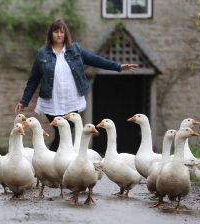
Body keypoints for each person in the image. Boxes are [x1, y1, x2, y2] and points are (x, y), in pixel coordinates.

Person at [15, 19, 138, 151]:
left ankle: (53, 161)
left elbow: (96, 60)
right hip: (52, 100)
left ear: (65, 34)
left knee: (67, 132)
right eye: (56, 31)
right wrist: (24, 101)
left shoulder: (75, 49)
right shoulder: (42, 54)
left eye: (62, 32)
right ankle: (52, 163)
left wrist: (118, 67)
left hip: (71, 99)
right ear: (51, 34)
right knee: (61, 132)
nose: (59, 35)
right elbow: (33, 79)